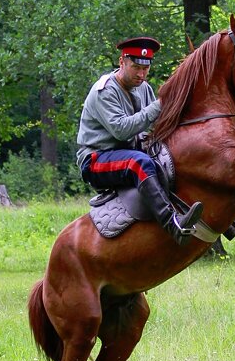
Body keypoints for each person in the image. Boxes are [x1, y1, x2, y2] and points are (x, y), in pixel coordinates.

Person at [76, 36, 203, 246]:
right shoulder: (105, 90)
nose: (141, 74)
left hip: (128, 153)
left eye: (146, 69)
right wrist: (161, 103)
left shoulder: (143, 87)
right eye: (135, 67)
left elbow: (155, 124)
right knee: (138, 163)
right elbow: (122, 131)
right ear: (121, 62)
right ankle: (173, 225)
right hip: (96, 160)